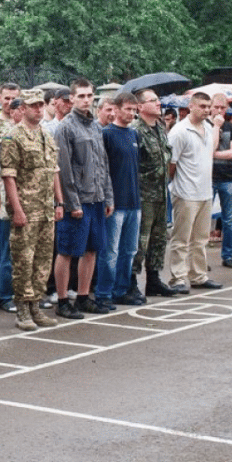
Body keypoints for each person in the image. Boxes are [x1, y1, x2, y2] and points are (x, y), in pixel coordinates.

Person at [0, 90, 61, 331]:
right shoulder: (12, 137)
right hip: (26, 209)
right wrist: (17, 209)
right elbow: (9, 176)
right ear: (22, 108)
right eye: (33, 105)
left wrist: (59, 202)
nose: (38, 109)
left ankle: (36, 305)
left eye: (41, 105)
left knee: (43, 260)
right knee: (23, 261)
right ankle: (22, 310)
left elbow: (53, 170)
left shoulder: (46, 134)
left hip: (45, 209)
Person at [52, 78, 114, 318]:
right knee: (67, 251)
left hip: (96, 199)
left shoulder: (96, 126)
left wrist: (108, 196)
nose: (86, 100)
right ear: (72, 99)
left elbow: (103, 164)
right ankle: (62, 300)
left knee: (91, 251)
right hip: (76, 202)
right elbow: (63, 169)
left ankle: (83, 296)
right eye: (81, 96)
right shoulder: (66, 128)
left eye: (90, 96)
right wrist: (72, 203)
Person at [166, 92, 222, 293]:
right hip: (185, 193)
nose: (207, 110)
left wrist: (216, 126)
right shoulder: (179, 131)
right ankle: (178, 278)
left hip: (205, 192)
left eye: (209, 106)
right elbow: (171, 164)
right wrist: (175, 188)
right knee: (181, 239)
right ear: (191, 106)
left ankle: (198, 276)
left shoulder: (207, 127)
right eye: (202, 106)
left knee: (200, 239)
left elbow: (211, 151)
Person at [98, 92, 144, 307]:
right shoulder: (106, 134)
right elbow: (102, 170)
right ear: (115, 109)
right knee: (110, 252)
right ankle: (104, 292)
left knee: (129, 250)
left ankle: (122, 290)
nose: (131, 113)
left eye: (134, 110)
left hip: (134, 202)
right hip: (115, 203)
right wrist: (108, 199)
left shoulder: (134, 135)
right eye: (128, 109)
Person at [133, 89, 176, 300]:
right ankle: (131, 281)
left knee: (159, 239)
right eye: (152, 101)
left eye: (158, 99)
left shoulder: (160, 127)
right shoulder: (136, 130)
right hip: (143, 195)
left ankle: (154, 279)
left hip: (160, 193)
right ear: (140, 107)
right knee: (141, 241)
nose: (158, 103)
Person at [209, 93, 232, 269]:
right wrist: (215, 128)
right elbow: (210, 146)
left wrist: (212, 154)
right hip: (208, 177)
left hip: (228, 177)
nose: (220, 111)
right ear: (210, 107)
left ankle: (228, 255)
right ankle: (200, 259)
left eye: (223, 108)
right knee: (203, 219)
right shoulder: (206, 126)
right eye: (216, 107)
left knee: (228, 219)